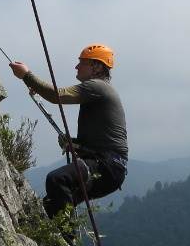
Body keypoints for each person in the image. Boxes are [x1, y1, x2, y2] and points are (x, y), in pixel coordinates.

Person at [10, 44, 129, 220]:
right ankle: (62, 235)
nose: (76, 66)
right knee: (52, 204)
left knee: (57, 179)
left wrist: (26, 76)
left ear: (96, 67)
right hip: (111, 167)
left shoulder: (97, 87)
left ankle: (66, 236)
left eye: (82, 62)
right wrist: (76, 143)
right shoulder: (100, 90)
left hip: (106, 165)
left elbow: (56, 95)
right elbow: (100, 140)